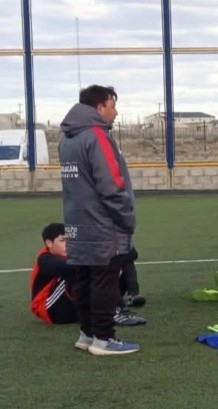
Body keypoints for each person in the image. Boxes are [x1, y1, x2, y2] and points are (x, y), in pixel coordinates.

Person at [60, 84, 140, 355]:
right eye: (112, 106)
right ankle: (104, 339)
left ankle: (88, 334)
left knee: (84, 278)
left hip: (76, 221)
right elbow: (112, 185)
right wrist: (127, 218)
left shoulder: (67, 138)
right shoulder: (97, 136)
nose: (116, 113)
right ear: (99, 108)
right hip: (102, 224)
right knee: (104, 281)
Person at [30, 223, 78, 325]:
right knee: (74, 270)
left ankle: (112, 309)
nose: (68, 244)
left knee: (114, 266)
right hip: (49, 310)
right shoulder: (44, 259)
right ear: (49, 243)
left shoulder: (72, 256)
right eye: (62, 240)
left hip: (69, 309)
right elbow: (67, 266)